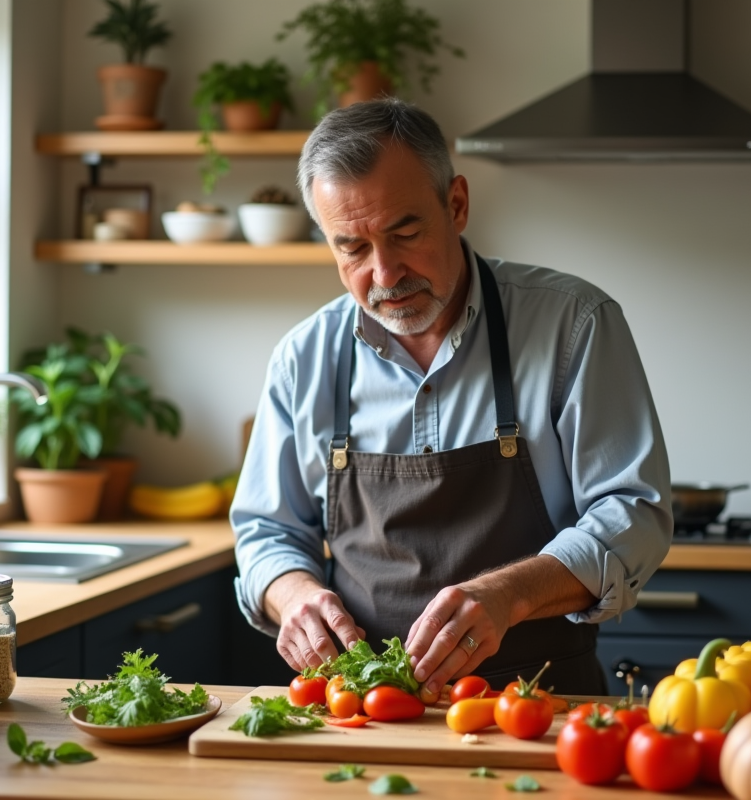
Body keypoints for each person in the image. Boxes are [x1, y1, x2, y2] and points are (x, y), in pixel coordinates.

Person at [231, 98, 672, 697]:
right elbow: (267, 531)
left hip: (542, 709)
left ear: (456, 204)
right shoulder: (302, 358)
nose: (385, 274)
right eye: (352, 249)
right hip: (366, 714)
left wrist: (508, 595)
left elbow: (634, 511)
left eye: (404, 232)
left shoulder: (573, 324)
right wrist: (295, 595)